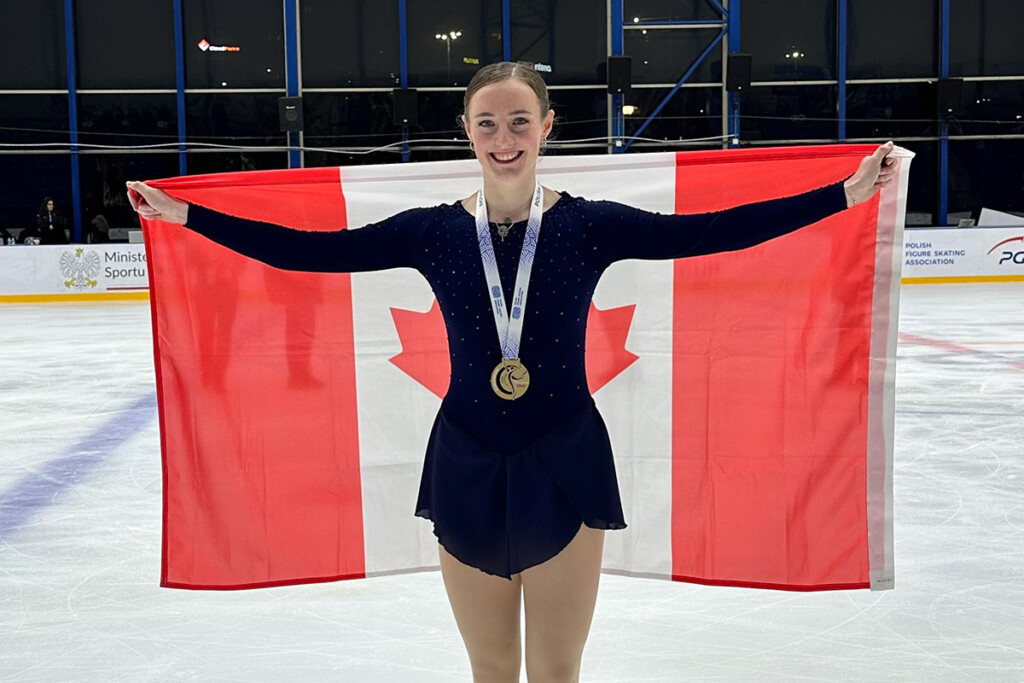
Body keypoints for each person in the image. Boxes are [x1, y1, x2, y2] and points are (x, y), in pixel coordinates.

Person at [128, 62, 896, 683]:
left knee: (556, 673)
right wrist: (188, 217)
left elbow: (717, 232)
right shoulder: (431, 233)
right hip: (465, 460)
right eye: (488, 121)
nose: (504, 137)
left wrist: (843, 194)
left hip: (566, 458)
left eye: (519, 120)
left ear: (547, 127)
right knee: (492, 670)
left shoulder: (590, 225)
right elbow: (310, 252)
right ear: (466, 129)